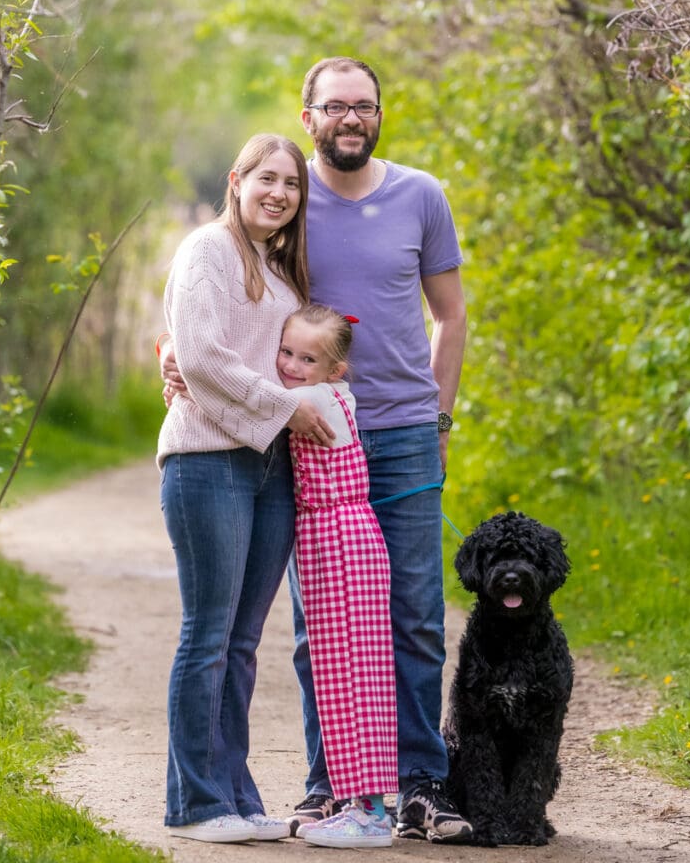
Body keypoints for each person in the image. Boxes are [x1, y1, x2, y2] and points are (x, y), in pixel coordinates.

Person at [165, 58, 471, 843]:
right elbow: (225, 319)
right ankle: (329, 784)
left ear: (379, 114)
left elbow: (451, 316)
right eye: (335, 105)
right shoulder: (280, 221)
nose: (351, 118)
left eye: (364, 105)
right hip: (308, 434)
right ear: (309, 117)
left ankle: (418, 783)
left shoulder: (419, 196)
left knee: (414, 614)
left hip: (399, 430)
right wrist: (171, 352)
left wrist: (439, 419)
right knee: (321, 623)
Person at [155, 133, 337, 844]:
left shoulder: (279, 268)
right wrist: (288, 408)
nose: (280, 193)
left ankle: (233, 792)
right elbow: (199, 353)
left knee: (241, 642)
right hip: (208, 462)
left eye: (291, 184)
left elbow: (275, 357)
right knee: (208, 635)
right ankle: (196, 804)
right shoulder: (208, 249)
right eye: (267, 178)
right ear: (237, 180)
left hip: (268, 467)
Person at [277, 304, 398, 848]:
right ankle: (355, 801)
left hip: (341, 538)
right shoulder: (327, 393)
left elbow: (248, 396)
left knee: (355, 670)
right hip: (333, 540)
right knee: (336, 668)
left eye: (308, 358)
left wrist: (178, 363)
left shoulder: (313, 398)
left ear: (334, 372)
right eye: (287, 352)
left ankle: (371, 812)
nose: (292, 365)